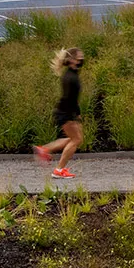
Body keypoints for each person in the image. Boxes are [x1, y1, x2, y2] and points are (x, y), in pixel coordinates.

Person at [34, 47, 85, 179]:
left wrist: (76, 113)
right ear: (72, 60)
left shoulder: (72, 74)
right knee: (76, 139)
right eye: (79, 57)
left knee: (72, 139)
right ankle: (59, 169)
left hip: (65, 111)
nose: (82, 59)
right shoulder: (70, 77)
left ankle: (45, 150)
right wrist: (73, 115)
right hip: (65, 112)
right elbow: (69, 98)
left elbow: (73, 97)